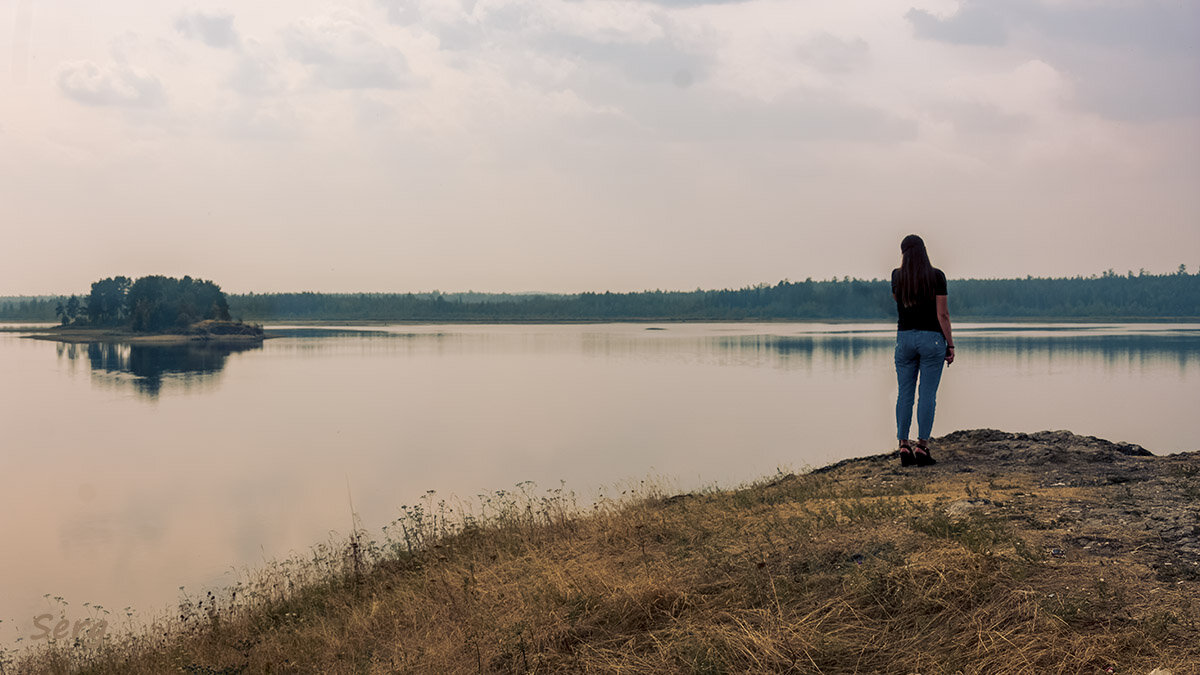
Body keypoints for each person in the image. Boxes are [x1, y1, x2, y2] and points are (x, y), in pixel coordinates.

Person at [892, 234, 954, 466]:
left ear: (903, 253)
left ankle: (903, 445)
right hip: (932, 340)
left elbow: (898, 300)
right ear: (924, 251)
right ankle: (922, 446)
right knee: (927, 394)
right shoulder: (936, 276)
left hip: (905, 338)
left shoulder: (897, 276)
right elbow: (943, 315)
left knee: (904, 394)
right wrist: (950, 344)